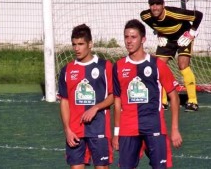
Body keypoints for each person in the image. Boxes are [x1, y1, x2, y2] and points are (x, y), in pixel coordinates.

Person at [112, 19, 182, 169]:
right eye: (126, 37)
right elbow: (117, 101)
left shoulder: (157, 65)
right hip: (128, 127)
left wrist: (174, 129)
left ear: (143, 39)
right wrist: (116, 132)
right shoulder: (118, 66)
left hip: (154, 125)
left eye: (133, 37)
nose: (129, 41)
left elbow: (174, 96)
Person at [58, 24, 114, 169]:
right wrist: (67, 130)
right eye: (74, 44)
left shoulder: (105, 66)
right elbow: (64, 102)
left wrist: (96, 107)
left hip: (99, 129)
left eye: (81, 44)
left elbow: (113, 96)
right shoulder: (67, 70)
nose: (76, 48)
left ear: (90, 44)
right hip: (75, 131)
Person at [140, 0, 203, 111]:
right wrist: (160, 33)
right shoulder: (145, 16)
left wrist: (192, 33)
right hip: (167, 39)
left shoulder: (175, 13)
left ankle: (193, 101)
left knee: (183, 65)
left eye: (158, 4)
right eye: (152, 4)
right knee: (159, 66)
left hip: (184, 36)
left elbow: (198, 15)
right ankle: (163, 101)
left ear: (163, 5)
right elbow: (154, 25)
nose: (155, 7)